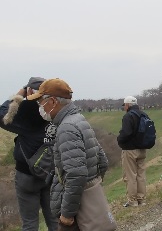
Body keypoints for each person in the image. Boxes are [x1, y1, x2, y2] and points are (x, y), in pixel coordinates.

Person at [27, 78, 109, 229]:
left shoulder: (66, 128)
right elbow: (102, 161)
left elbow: (76, 174)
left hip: (75, 212)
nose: (40, 107)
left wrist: (67, 213)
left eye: (40, 102)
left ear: (52, 101)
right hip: (87, 202)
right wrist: (92, 188)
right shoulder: (80, 120)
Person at [0, 77, 58, 231]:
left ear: (30, 91)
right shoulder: (55, 109)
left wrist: (19, 96)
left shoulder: (25, 110)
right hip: (51, 172)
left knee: (30, 223)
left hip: (26, 174)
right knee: (54, 220)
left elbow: (2, 115)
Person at [117, 96, 148, 207]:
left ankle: (132, 201)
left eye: (124, 105)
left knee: (130, 176)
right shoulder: (144, 114)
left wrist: (119, 140)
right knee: (141, 175)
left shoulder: (128, 116)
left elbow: (126, 133)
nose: (124, 107)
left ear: (127, 105)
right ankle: (142, 199)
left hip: (130, 150)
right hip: (142, 149)